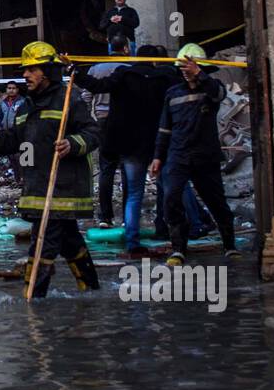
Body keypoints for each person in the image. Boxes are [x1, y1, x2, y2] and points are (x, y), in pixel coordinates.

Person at [0, 41, 100, 297]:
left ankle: (33, 305)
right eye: (25, 69)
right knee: (70, 242)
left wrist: (72, 143)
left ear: (47, 72)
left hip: (62, 189)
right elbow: (12, 140)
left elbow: (93, 132)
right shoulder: (26, 105)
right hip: (37, 186)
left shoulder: (68, 98)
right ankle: (92, 292)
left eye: (32, 69)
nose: (25, 74)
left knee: (42, 246)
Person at [72, 44, 176, 256]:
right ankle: (166, 229)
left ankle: (132, 240)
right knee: (167, 188)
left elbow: (97, 86)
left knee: (134, 194)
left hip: (129, 142)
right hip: (157, 141)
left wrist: (73, 72)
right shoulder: (165, 78)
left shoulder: (124, 74)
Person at [150, 44, 240, 266]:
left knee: (216, 201)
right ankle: (178, 248)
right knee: (171, 200)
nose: (184, 70)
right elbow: (165, 127)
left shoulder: (211, 89)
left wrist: (199, 74)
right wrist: (158, 156)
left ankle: (229, 245)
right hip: (178, 155)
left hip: (205, 156)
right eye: (182, 66)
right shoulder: (173, 93)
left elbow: (218, 94)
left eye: (188, 66)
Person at [84, 35, 133, 229]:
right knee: (128, 167)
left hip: (103, 121)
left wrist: (90, 116)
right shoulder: (130, 69)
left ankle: (105, 216)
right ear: (126, 48)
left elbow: (87, 93)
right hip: (127, 121)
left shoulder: (96, 69)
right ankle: (128, 217)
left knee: (107, 168)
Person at [0, 80, 32, 179]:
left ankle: (25, 178)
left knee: (22, 157)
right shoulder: (3, 102)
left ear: (17, 89)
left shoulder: (23, 101)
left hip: (20, 133)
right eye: (9, 88)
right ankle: (17, 178)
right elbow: (0, 116)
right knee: (11, 157)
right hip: (7, 133)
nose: (11, 90)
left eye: (13, 88)